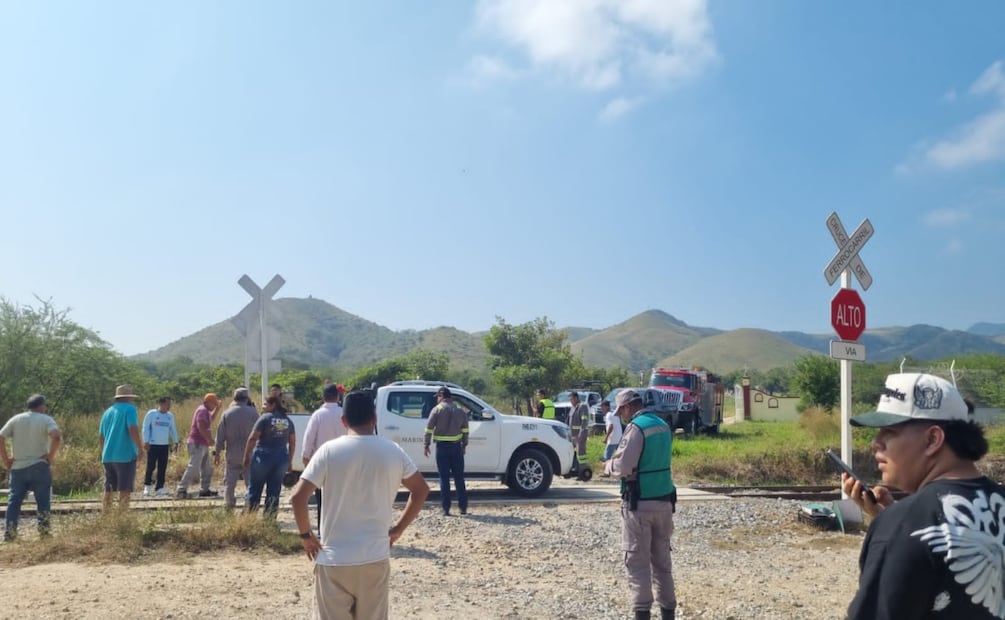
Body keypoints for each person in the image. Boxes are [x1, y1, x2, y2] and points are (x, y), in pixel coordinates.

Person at [842, 373, 1005, 619]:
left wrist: (896, 527)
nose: (876, 443)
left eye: (889, 431)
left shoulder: (901, 526)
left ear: (933, 439)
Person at [290, 389, 430, 620]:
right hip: (374, 557)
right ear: (374, 418)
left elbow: (298, 497)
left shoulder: (328, 451)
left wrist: (306, 536)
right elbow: (421, 490)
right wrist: (397, 530)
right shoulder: (393, 451)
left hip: (334, 559)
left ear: (343, 420)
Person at [604, 389, 677, 620]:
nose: (621, 416)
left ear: (628, 406)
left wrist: (608, 467)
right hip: (664, 503)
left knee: (638, 564)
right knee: (663, 564)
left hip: (639, 505)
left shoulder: (636, 428)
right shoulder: (663, 425)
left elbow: (624, 466)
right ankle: (668, 613)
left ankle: (642, 613)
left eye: (621, 411)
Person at [0, 394, 61, 540]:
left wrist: (6, 460)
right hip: (39, 465)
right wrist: (50, 456)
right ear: (42, 406)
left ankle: (10, 534)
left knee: (14, 501)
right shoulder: (46, 419)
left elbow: (1, 437)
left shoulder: (16, 419)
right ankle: (44, 533)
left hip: (18, 466)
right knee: (43, 501)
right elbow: (56, 436)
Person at [243, 395, 295, 517]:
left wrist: (246, 456)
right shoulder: (287, 420)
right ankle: (270, 520)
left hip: (263, 457)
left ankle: (249, 519)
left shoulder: (264, 418)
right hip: (281, 459)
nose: (263, 406)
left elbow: (252, 438)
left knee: (255, 489)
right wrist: (290, 461)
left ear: (273, 405)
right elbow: (292, 442)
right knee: (274, 492)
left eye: (265, 404)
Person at [302, 383, 346, 521]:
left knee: (322, 500)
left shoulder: (318, 415)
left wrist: (306, 461)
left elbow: (309, 440)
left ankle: (323, 531)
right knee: (342, 499)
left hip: (322, 463)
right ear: (338, 397)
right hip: (343, 462)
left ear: (323, 397)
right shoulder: (344, 414)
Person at [423, 386, 469, 516]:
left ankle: (446, 509)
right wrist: (464, 445)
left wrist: (426, 445)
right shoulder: (460, 410)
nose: (437, 399)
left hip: (442, 449)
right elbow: (465, 430)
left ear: (442, 396)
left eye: (437, 397)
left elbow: (428, 429)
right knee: (459, 478)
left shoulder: (436, 410)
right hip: (457, 448)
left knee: (444, 479)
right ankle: (463, 508)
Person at [99, 384, 145, 510]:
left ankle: (106, 516)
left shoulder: (107, 412)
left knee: (109, 488)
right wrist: (140, 448)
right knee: (124, 488)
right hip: (125, 455)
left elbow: (101, 436)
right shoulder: (130, 409)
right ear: (128, 397)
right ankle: (122, 517)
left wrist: (104, 452)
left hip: (108, 456)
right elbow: (132, 428)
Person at [214, 387, 259, 509]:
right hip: (249, 452)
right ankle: (250, 504)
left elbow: (220, 435)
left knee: (230, 482)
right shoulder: (253, 413)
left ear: (234, 398)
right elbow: (260, 433)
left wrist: (217, 452)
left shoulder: (226, 413)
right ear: (247, 398)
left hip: (232, 452)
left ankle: (229, 504)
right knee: (250, 482)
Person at [176, 393, 221, 498]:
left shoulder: (205, 412)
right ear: (208, 402)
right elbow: (200, 426)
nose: (214, 406)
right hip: (197, 443)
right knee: (193, 467)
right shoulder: (202, 410)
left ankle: (204, 489)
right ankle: (181, 489)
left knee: (206, 468)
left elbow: (210, 420)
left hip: (202, 444)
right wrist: (208, 439)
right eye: (214, 404)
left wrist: (217, 409)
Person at [141, 396, 179, 497]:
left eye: (170, 405)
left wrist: (176, 441)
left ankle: (160, 487)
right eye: (167, 404)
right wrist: (146, 441)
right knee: (151, 466)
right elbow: (145, 428)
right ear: (161, 404)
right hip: (153, 444)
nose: (169, 407)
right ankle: (147, 486)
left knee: (162, 467)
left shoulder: (170, 416)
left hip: (164, 445)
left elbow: (172, 429)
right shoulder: (152, 414)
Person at [568, 391, 590, 465]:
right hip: (573, 435)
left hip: (579, 435)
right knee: (574, 453)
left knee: (581, 454)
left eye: (572, 399)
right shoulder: (573, 408)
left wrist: (581, 433)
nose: (571, 401)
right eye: (570, 400)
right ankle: (577, 469)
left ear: (576, 398)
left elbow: (584, 421)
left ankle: (584, 469)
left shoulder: (582, 406)